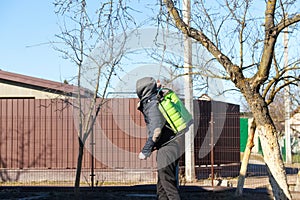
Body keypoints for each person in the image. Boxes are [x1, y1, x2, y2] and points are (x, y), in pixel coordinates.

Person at [136, 77, 183, 200]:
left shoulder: (152, 104)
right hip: (169, 146)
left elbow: (156, 131)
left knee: (168, 185)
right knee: (162, 185)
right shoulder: (155, 100)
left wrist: (146, 150)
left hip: (168, 147)